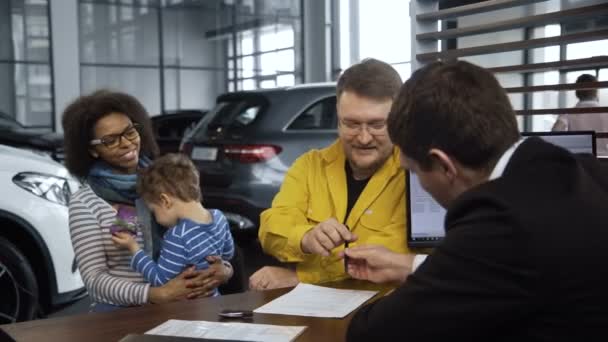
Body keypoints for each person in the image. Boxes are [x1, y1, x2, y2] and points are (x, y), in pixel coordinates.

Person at [343, 61, 608, 340]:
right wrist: (412, 266)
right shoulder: (578, 170)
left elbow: (375, 332)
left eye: (413, 170)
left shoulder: (501, 223)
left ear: (444, 165)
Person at [63, 90, 233, 312]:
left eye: (130, 132)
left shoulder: (164, 179)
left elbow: (207, 239)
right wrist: (156, 294)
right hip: (126, 313)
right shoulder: (84, 203)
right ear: (92, 150)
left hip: (189, 309)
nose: (126, 144)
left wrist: (224, 271)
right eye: (110, 140)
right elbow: (95, 281)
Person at [249, 58, 410, 290]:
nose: (364, 138)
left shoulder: (414, 175)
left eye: (376, 125)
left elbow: (395, 252)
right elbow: (271, 228)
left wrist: (302, 278)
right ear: (338, 118)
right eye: (352, 124)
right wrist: (305, 237)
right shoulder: (309, 166)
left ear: (397, 120)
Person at [112, 153, 235, 297]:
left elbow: (160, 280)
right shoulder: (219, 217)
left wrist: (134, 248)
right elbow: (228, 254)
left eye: (153, 211)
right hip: (214, 301)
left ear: (165, 201)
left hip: (187, 312)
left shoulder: (178, 235)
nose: (155, 217)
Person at [552, 73, 608, 156]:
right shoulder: (605, 113)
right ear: (596, 91)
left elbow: (555, 132)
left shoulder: (568, 113)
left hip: (578, 162)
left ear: (577, 92)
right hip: (603, 162)